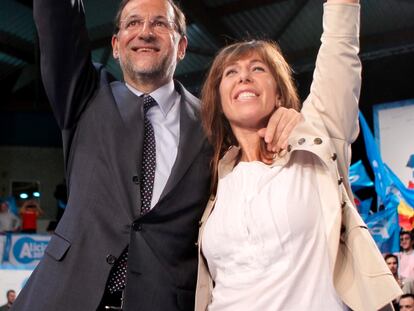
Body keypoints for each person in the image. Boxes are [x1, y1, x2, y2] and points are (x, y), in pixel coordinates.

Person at [12, 0, 300, 310]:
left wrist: (294, 122)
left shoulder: (215, 124)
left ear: (182, 46)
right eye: (133, 23)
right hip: (64, 296)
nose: (145, 33)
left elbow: (261, 136)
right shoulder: (83, 97)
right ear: (116, 46)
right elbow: (58, 19)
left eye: (160, 24)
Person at [195, 0, 402, 310]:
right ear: (220, 101)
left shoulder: (317, 141)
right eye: (231, 73)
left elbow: (340, 48)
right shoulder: (214, 177)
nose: (244, 77)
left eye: (258, 68)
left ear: (279, 92)